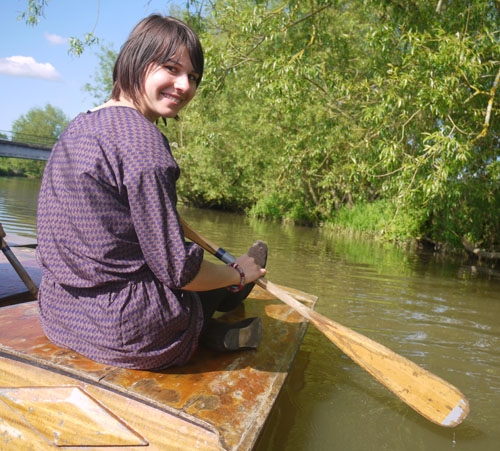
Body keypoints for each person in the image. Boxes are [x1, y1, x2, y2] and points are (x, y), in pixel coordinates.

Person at [36, 15, 267, 370]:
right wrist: (239, 273)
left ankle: (221, 309)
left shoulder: (78, 125)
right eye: (171, 69)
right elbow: (180, 273)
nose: (184, 85)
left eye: (192, 77)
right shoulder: (145, 145)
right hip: (130, 333)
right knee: (184, 288)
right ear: (137, 61)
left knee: (161, 270)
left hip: (61, 314)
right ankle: (224, 299)